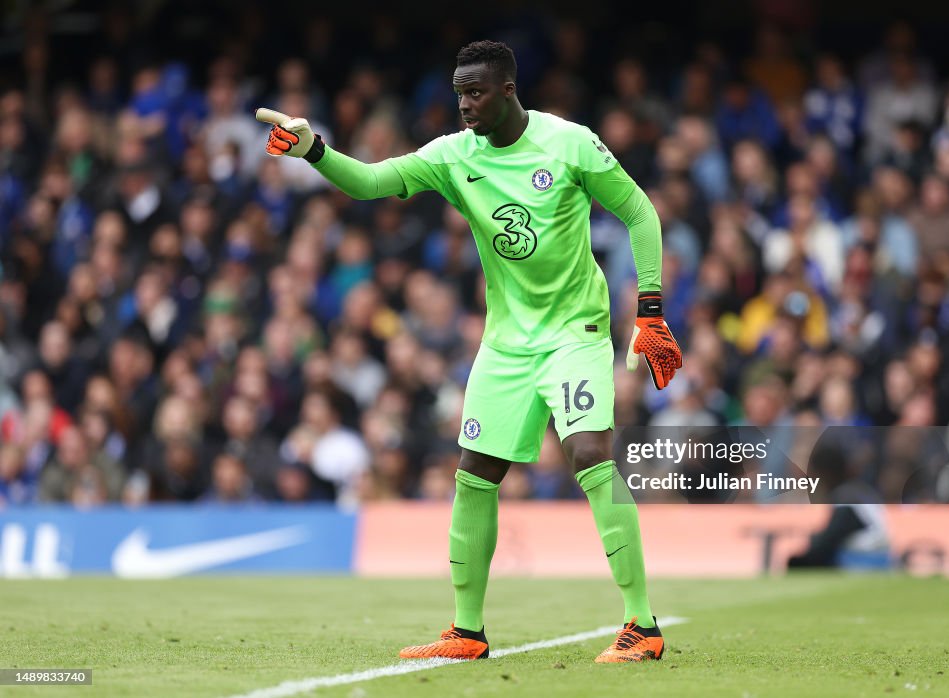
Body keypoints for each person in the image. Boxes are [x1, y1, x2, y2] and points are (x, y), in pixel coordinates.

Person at [256, 40, 682, 664]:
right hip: (506, 345)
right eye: (459, 91)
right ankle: (466, 632)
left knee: (590, 454)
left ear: (509, 90)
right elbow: (373, 183)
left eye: (476, 91)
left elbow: (640, 212)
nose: (464, 104)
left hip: (575, 333)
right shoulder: (454, 157)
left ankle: (641, 625)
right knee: (474, 474)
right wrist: (313, 150)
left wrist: (649, 310)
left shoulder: (569, 143)